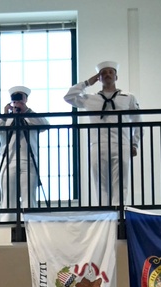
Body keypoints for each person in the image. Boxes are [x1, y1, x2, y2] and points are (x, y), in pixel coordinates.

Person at [64, 61, 140, 205]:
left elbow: (137, 121)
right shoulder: (90, 98)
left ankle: (119, 212)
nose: (107, 75)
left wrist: (134, 142)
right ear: (99, 78)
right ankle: (104, 212)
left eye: (111, 72)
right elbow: (68, 97)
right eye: (103, 73)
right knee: (101, 182)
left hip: (121, 142)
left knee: (121, 181)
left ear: (116, 76)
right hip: (99, 144)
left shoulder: (128, 97)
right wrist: (87, 83)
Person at [0, 86, 48, 210]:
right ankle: (8, 225)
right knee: (7, 197)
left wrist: (26, 111)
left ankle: (29, 226)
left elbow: (45, 126)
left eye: (20, 99)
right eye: (15, 99)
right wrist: (4, 115)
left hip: (28, 161)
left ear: (26, 100)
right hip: (8, 160)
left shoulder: (31, 117)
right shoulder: (4, 119)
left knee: (29, 198)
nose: (17, 102)